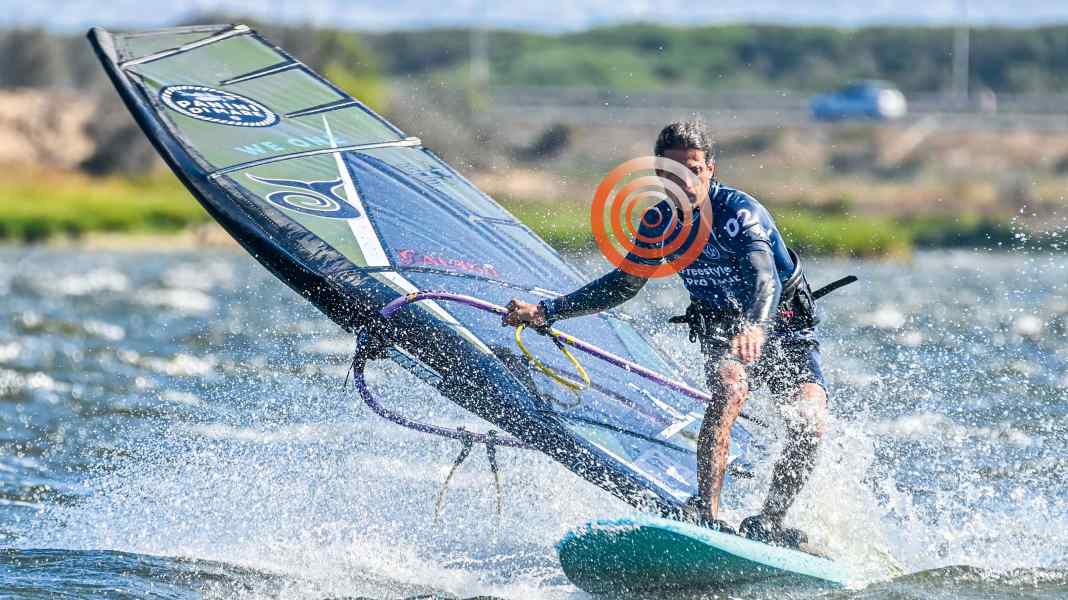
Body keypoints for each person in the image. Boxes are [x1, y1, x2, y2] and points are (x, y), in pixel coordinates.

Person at [501, 120, 829, 548]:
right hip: (722, 328)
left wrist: (755, 326)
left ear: (710, 168)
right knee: (730, 388)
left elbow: (764, 278)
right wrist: (547, 311)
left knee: (809, 421)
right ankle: (706, 513)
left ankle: (769, 521)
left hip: (781, 325)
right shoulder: (658, 223)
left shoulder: (739, 213)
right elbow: (623, 284)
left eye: (694, 169)